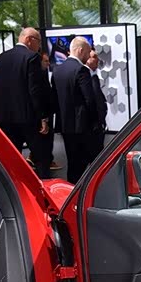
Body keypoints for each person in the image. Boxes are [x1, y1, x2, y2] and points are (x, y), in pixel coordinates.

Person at [0, 27, 52, 177]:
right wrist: (43, 117)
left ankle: (15, 187)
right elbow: (34, 91)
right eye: (38, 42)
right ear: (29, 39)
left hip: (5, 118)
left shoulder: (1, 58)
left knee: (11, 159)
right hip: (28, 118)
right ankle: (43, 188)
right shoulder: (32, 58)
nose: (39, 46)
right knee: (41, 158)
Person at [50, 36, 98, 184]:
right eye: (88, 52)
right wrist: (96, 123)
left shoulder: (57, 70)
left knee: (72, 162)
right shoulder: (81, 70)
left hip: (65, 126)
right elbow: (89, 100)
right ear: (80, 50)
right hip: (82, 126)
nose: (88, 56)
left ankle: (72, 190)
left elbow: (54, 100)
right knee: (89, 163)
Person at [86, 50, 108, 163]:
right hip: (93, 125)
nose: (97, 60)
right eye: (94, 57)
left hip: (99, 123)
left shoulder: (94, 76)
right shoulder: (86, 77)